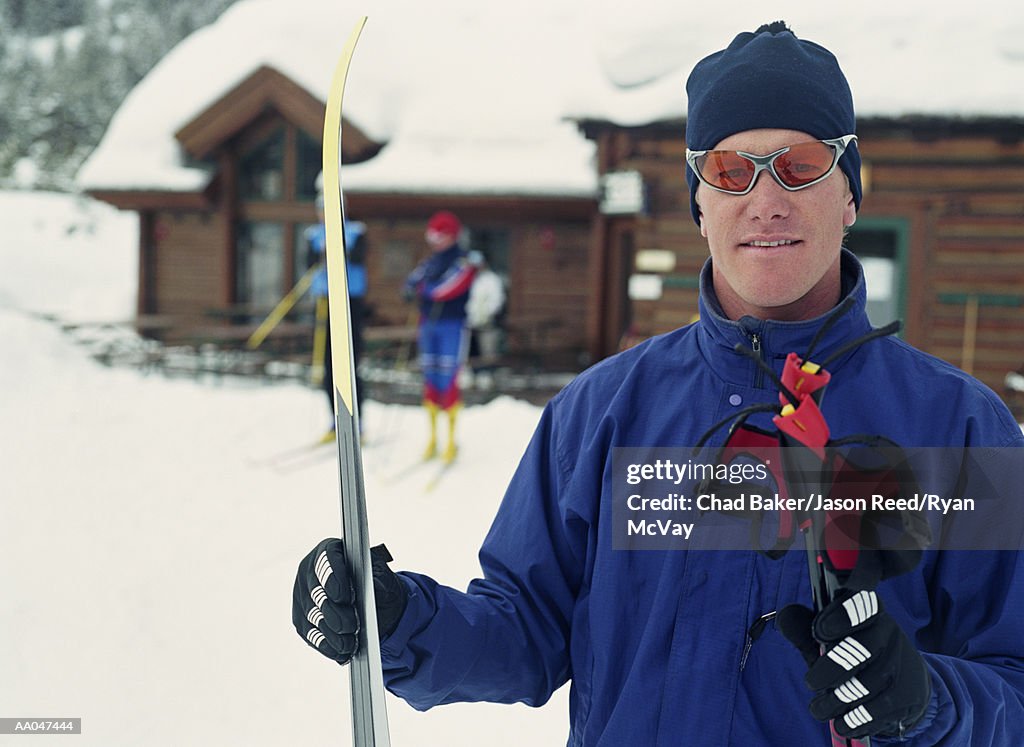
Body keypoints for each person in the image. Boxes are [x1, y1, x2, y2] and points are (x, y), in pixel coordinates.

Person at [293, 23, 1024, 744]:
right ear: (699, 205)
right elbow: (524, 628)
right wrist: (398, 619)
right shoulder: (602, 412)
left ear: (851, 194)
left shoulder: (956, 429)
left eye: (799, 165)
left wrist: (933, 701)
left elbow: (1014, 682)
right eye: (731, 171)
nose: (765, 199)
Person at [402, 211, 477, 463]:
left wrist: (425, 290)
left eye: (440, 235)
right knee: (430, 380)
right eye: (432, 235)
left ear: (451, 236)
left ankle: (451, 440)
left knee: (449, 380)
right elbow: (413, 280)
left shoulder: (463, 260)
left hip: (452, 326)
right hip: (428, 324)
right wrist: (412, 288)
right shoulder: (431, 261)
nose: (434, 240)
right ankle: (433, 438)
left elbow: (451, 286)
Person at [305, 194, 369, 438]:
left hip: (350, 301)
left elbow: (357, 257)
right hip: (324, 301)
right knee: (327, 365)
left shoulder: (355, 232)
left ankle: (357, 421)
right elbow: (309, 262)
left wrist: (335, 245)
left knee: (351, 364)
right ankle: (334, 420)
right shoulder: (313, 235)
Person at [464, 251, 506, 389]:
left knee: (488, 350)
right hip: (470, 322)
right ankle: (472, 375)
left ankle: (487, 376)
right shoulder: (468, 279)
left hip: (487, 322)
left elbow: (497, 300)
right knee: (470, 349)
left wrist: (487, 314)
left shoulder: (492, 279)